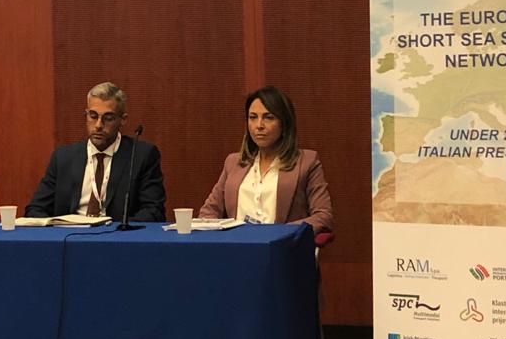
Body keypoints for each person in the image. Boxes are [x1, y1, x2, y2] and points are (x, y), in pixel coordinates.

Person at [198, 85, 333, 235]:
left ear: (284, 123)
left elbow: (323, 216)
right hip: (237, 244)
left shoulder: (306, 162)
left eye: (268, 117)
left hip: (281, 245)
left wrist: (280, 233)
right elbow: (208, 213)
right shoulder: (233, 162)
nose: (259, 125)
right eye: (253, 117)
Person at [25, 82, 166, 222]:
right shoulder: (63, 157)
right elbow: (36, 209)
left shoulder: (141, 155)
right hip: (70, 233)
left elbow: (153, 211)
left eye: (108, 118)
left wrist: (115, 229)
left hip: (115, 233)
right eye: (93, 116)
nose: (98, 125)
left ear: (123, 119)